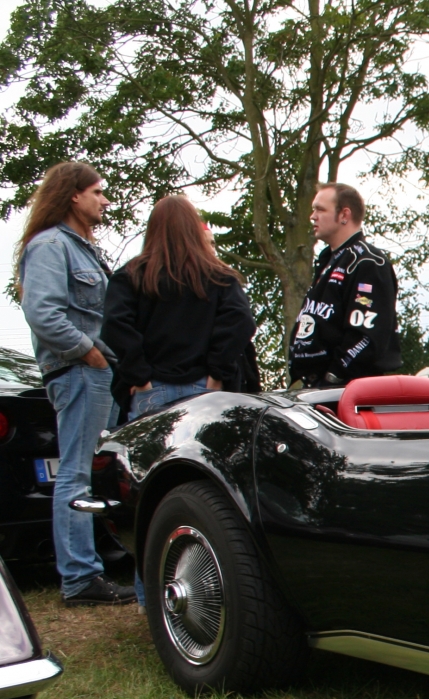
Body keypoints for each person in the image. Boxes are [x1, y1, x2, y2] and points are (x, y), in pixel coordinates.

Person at [15, 161, 136, 606]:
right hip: (81, 372)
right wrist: (89, 351)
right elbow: (42, 312)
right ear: (74, 196)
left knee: (86, 473)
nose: (105, 200)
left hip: (97, 373)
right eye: (98, 192)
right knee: (75, 475)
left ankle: (92, 568)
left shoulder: (82, 248)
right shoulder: (50, 246)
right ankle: (81, 579)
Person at [102, 195, 256, 423]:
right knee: (204, 457)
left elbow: (115, 325)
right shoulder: (218, 276)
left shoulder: (131, 276)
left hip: (151, 387)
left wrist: (139, 375)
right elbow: (241, 321)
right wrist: (217, 371)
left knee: (153, 458)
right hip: (205, 386)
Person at [288, 183, 401, 387]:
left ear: (344, 215)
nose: (312, 217)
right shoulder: (328, 261)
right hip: (315, 386)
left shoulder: (368, 262)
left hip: (347, 389)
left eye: (320, 209)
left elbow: (367, 336)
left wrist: (333, 376)